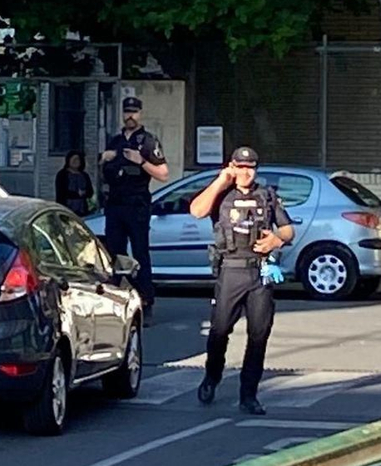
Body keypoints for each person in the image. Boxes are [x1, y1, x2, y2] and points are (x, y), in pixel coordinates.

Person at [189, 147, 294, 415]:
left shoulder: (266, 195)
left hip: (259, 272)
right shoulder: (221, 194)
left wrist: (277, 240)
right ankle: (212, 377)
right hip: (231, 270)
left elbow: (288, 229)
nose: (246, 173)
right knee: (219, 330)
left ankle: (249, 395)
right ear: (231, 167)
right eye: (240, 167)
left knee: (258, 335)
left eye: (250, 168)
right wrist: (221, 181)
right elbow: (197, 211)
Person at [100, 96, 169, 313]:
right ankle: (118, 298)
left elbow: (163, 174)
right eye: (127, 112)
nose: (130, 116)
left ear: (140, 114)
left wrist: (141, 161)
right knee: (114, 254)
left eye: (134, 112)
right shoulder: (115, 141)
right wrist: (104, 158)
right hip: (115, 204)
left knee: (140, 253)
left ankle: (146, 299)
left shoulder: (148, 141)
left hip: (137, 205)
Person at [54, 151, 94, 216]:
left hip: (82, 209)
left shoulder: (84, 175)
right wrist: (76, 194)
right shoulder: (62, 174)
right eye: (73, 159)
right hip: (67, 209)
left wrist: (84, 193)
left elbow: (90, 192)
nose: (75, 161)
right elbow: (61, 193)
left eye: (77, 159)